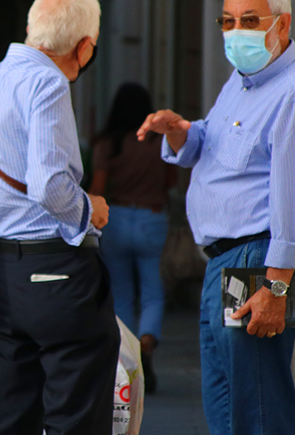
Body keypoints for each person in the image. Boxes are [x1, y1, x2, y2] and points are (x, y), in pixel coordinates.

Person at [137, 0, 295, 435]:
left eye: (249, 20)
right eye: (227, 21)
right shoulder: (244, 80)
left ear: (281, 26)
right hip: (224, 261)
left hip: (258, 262)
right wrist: (182, 132)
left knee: (257, 408)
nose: (235, 31)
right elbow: (216, 141)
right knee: (226, 405)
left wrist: (277, 289)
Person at [0, 0, 118, 435]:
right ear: (84, 48)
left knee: (10, 411)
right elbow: (50, 185)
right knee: (76, 413)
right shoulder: (48, 82)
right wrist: (91, 209)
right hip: (58, 270)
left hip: (2, 271)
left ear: (31, 28)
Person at [89, 82, 177, 394]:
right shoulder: (159, 142)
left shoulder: (107, 144)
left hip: (118, 217)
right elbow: (171, 180)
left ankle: (129, 357)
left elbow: (97, 190)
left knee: (122, 292)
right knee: (153, 288)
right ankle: (148, 343)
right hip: (152, 217)